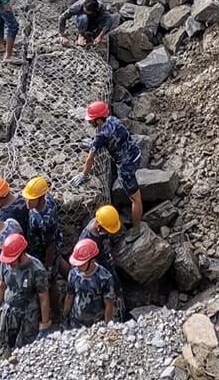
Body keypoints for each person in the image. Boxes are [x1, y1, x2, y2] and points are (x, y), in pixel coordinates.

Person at [80, 100, 144, 228]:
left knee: (135, 199)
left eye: (91, 120)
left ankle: (137, 228)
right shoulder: (114, 120)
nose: (88, 122)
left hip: (126, 166)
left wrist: (83, 175)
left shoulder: (101, 136)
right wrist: (95, 144)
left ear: (98, 120)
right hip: (136, 153)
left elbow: (90, 159)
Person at [0, 234, 52, 349]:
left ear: (21, 255)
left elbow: (44, 298)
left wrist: (44, 324)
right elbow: (2, 286)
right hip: (9, 312)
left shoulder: (37, 270)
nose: (9, 264)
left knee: (24, 348)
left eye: (11, 260)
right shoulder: (5, 263)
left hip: (28, 315)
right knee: (4, 345)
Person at [62, 238, 116, 329]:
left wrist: (107, 327)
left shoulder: (105, 278)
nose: (78, 267)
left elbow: (109, 305)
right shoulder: (73, 274)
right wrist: (65, 316)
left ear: (92, 260)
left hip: (95, 325)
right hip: (75, 322)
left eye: (82, 264)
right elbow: (69, 296)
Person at [21, 176, 62, 273]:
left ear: (41, 197)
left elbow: (50, 247)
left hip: (43, 254)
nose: (27, 202)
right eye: (26, 198)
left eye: (31, 199)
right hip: (38, 244)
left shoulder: (46, 222)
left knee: (50, 280)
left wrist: (48, 267)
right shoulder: (48, 198)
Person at [78, 205, 124, 277]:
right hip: (95, 260)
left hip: (103, 253)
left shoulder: (103, 223)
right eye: (108, 231)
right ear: (99, 226)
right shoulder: (87, 240)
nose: (110, 232)